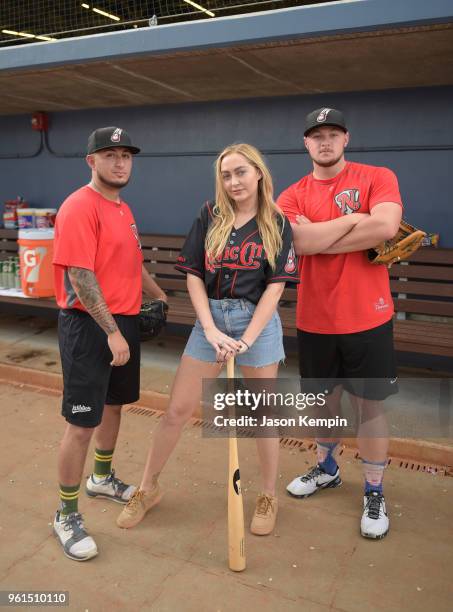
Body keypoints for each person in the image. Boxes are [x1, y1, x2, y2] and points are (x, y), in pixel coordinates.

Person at [116, 143, 298, 535]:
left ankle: (268, 495)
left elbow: (275, 288)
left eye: (241, 172)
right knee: (176, 411)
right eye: (226, 175)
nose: (233, 181)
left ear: (259, 173)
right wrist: (211, 329)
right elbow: (193, 274)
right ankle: (147, 488)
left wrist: (246, 340)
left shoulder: (278, 222)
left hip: (257, 325)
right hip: (209, 320)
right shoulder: (210, 214)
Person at [277, 107, 403, 539]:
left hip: (368, 315)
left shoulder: (376, 176)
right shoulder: (291, 194)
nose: (325, 141)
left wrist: (321, 234)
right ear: (306, 143)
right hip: (315, 319)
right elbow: (295, 241)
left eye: (333, 133)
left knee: (369, 407)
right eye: (317, 135)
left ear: (346, 138)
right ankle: (328, 467)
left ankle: (373, 488)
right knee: (322, 405)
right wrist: (353, 221)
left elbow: (385, 227)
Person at [52, 126, 168, 561]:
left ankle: (100, 478)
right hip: (90, 327)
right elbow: (80, 278)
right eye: (110, 154)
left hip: (123, 320)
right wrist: (112, 332)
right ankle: (65, 514)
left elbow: (130, 264)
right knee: (81, 423)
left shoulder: (122, 207)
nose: (120, 162)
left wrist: (157, 294)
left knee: (115, 406)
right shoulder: (80, 207)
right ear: (91, 161)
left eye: (126, 155)